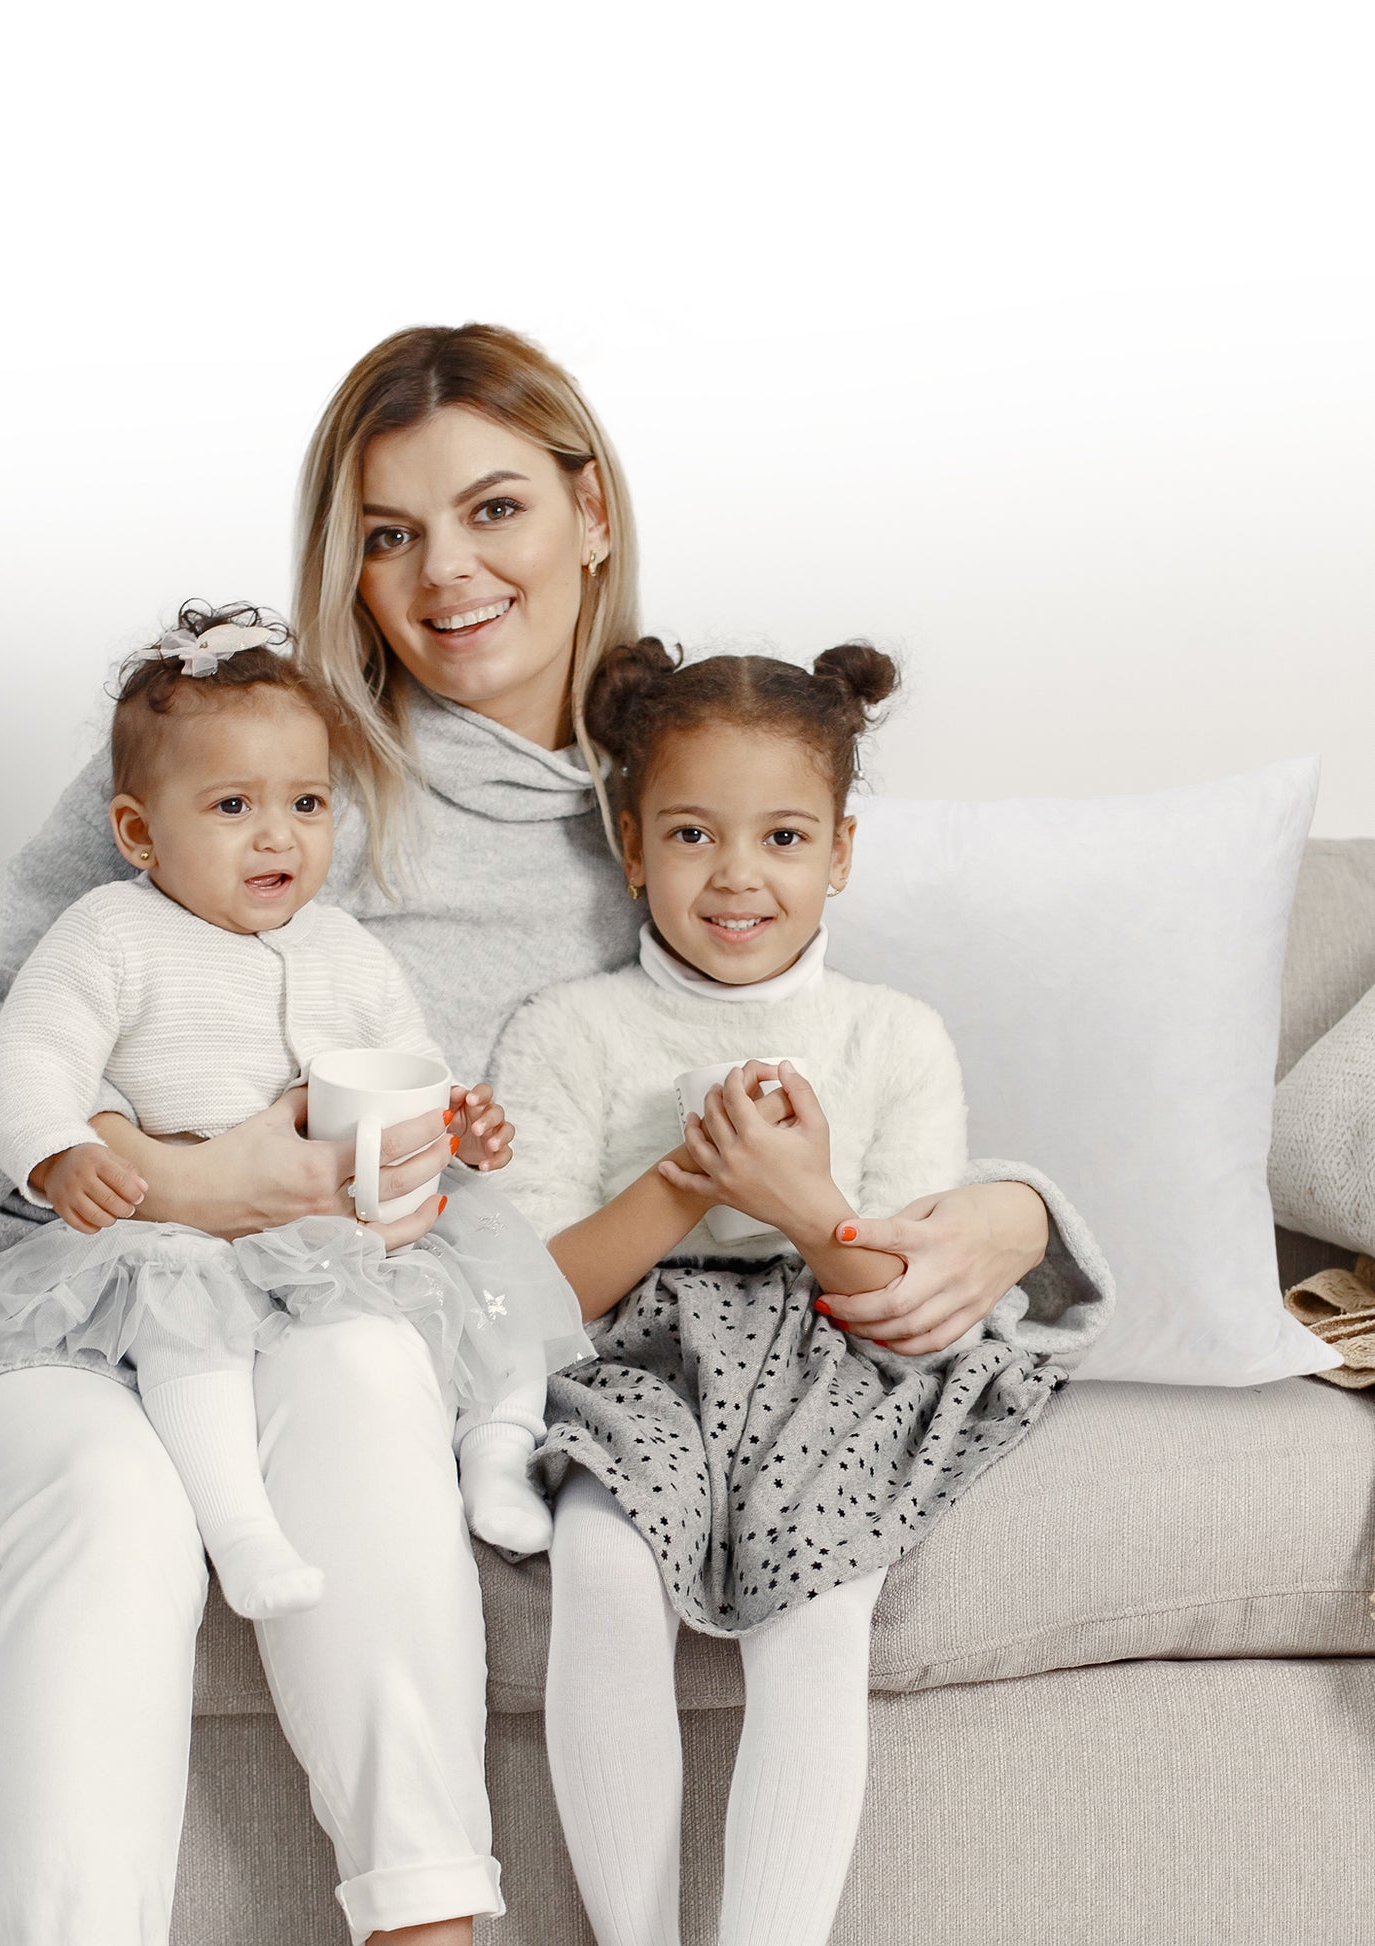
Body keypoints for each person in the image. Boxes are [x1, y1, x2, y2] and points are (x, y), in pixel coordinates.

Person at [0, 321, 1098, 1946]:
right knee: (115, 1503)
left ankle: (427, 1923)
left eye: (493, 510)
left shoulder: (681, 806)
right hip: (42, 1314)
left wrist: (1012, 1211)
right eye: (387, 534)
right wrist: (181, 1178)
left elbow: (809, 1054)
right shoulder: (250, 749)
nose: (443, 574)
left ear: (591, 512)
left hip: (330, 1326)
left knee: (362, 1377)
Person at [488, 636, 1114, 1946]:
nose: (736, 875)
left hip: (835, 1349)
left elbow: (897, 1297)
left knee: (820, 1603)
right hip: (636, 1359)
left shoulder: (891, 1036)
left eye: (780, 836)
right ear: (629, 845)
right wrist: (682, 1180)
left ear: (838, 852)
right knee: (603, 1561)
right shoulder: (566, 1028)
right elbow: (534, 1290)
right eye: (691, 833)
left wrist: (797, 1196)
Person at [0, 597, 586, 1623]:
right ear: (137, 832)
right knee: (185, 1328)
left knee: (487, 1284)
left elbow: (407, 1058)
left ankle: (496, 1453)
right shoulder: (109, 933)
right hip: (181, 1235)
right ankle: (238, 1527)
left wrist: (455, 1117)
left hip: (325, 1239)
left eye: (307, 803)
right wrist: (55, 1152)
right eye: (233, 806)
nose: (278, 835)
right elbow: (31, 1056)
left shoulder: (345, 949)